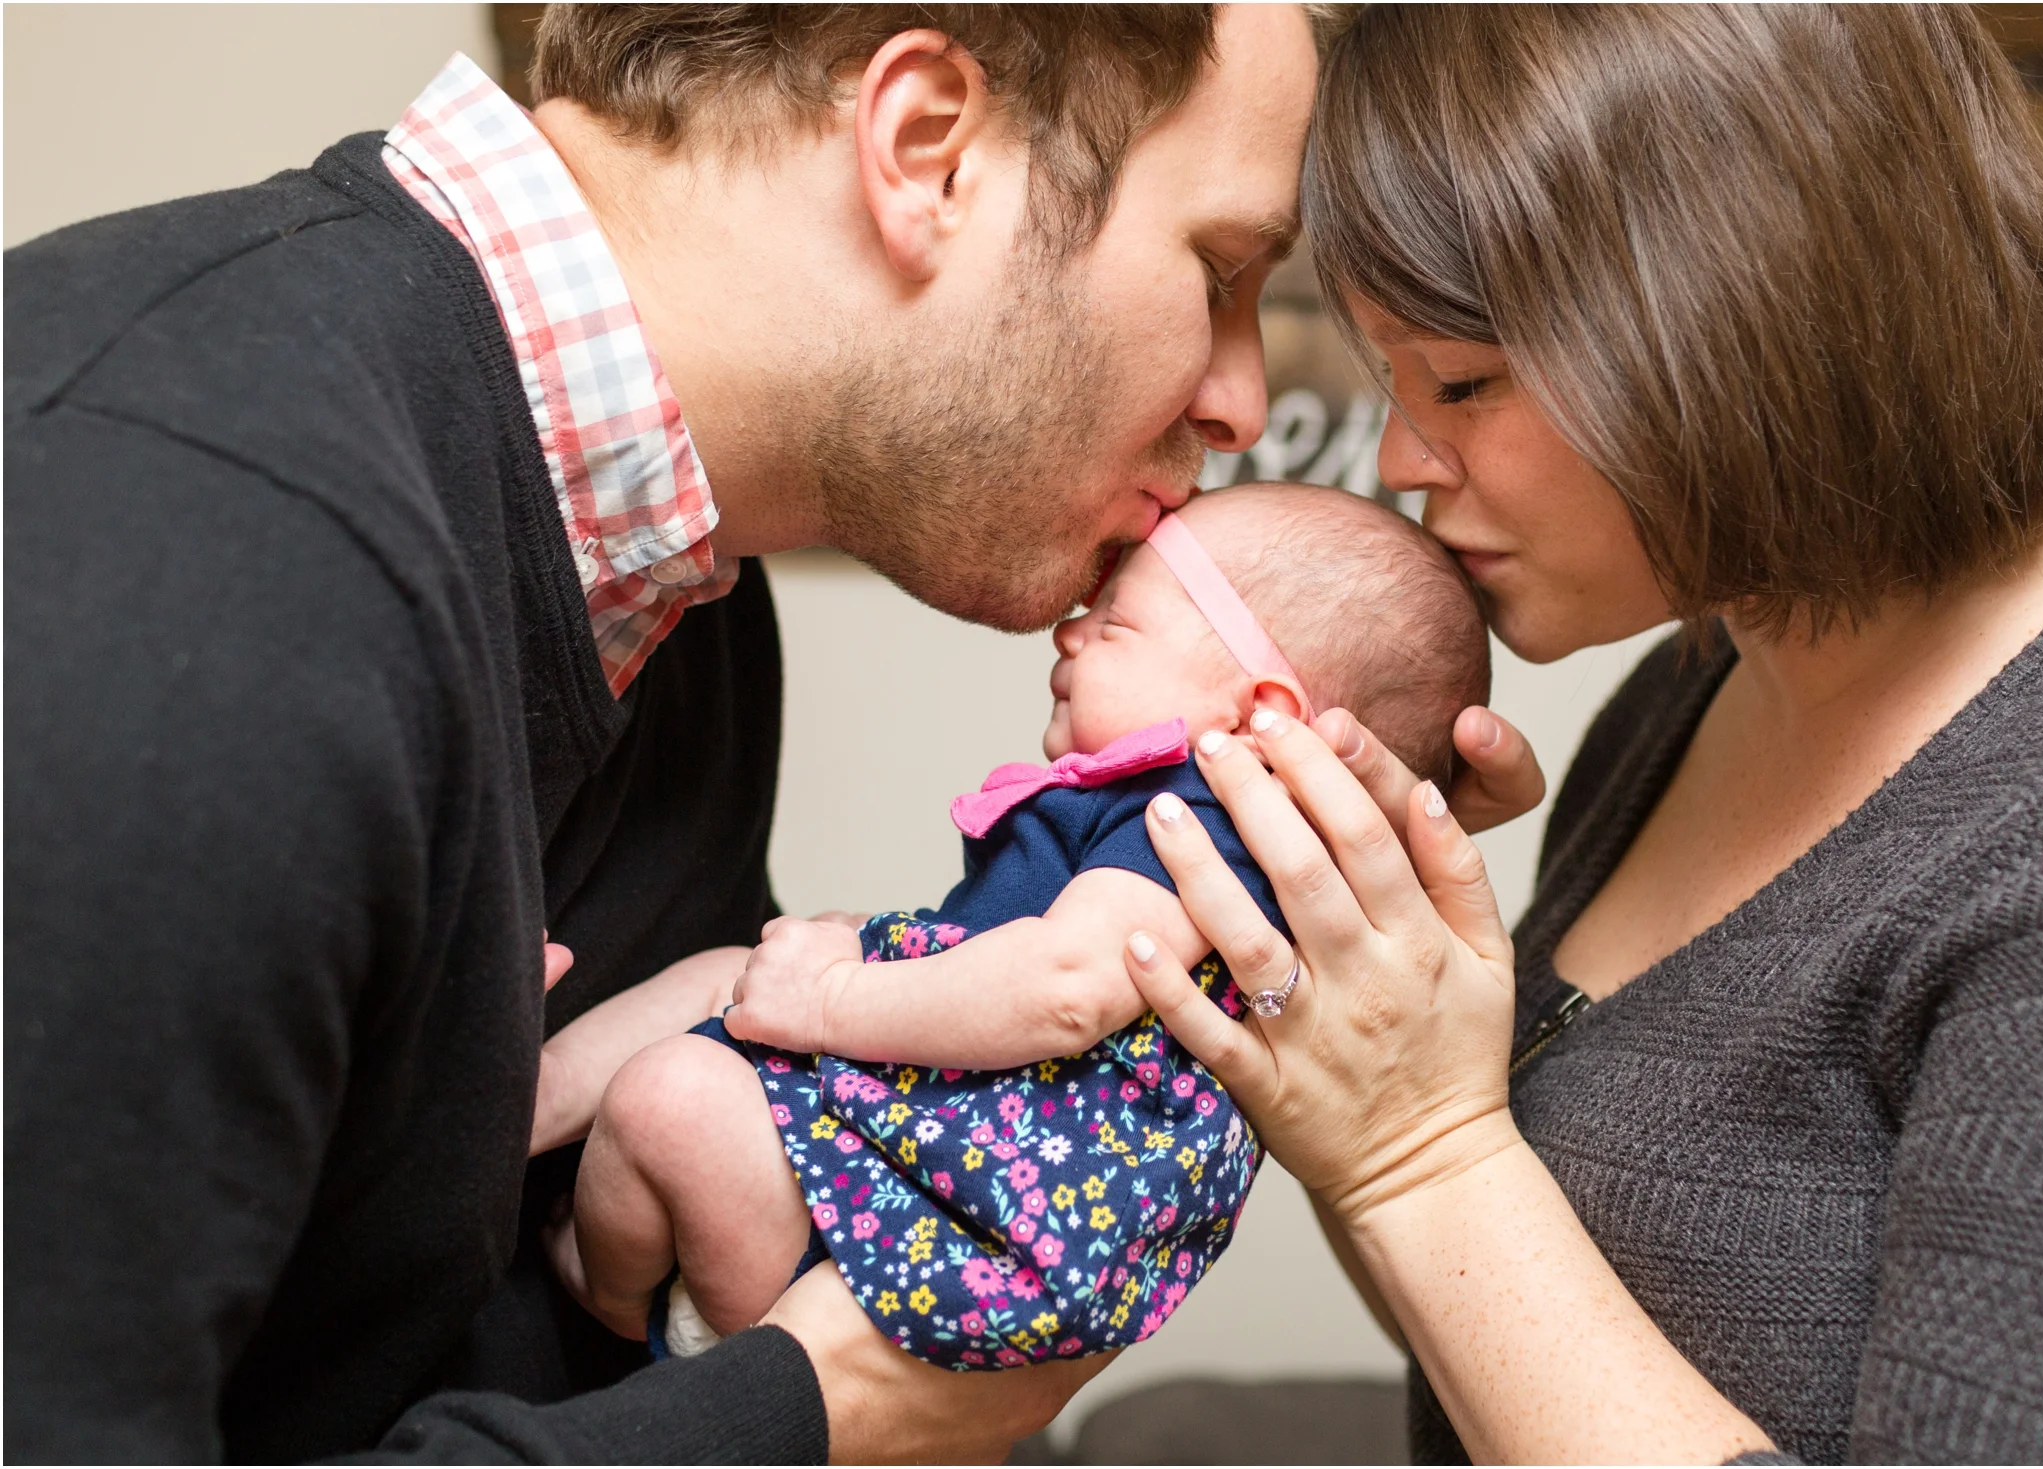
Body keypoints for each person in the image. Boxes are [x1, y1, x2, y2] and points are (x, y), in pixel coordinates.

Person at [11, 6, 1526, 1461]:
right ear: (929, 147)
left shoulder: (684, 591)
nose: (1244, 402)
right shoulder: (164, 541)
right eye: (1220, 272)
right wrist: (819, 1413)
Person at [1116, 7, 2043, 1464]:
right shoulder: (1696, 687)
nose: (1399, 463)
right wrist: (1352, 972)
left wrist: (1423, 1154)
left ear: (1737, 311)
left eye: (1464, 382)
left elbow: (1446, 1193)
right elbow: (1514, 1359)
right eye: (1394, 383)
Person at [530, 485, 1485, 1366]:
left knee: (675, 1096)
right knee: (730, 970)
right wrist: (850, 947)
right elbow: (1017, 955)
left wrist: (832, 994)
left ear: (1263, 714)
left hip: (989, 1187)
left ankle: (624, 1298)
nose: (1072, 632)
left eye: (1118, 621)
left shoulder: (1209, 817)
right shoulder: (1150, 813)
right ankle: (524, 1110)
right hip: (962, 1109)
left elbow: (1067, 989)